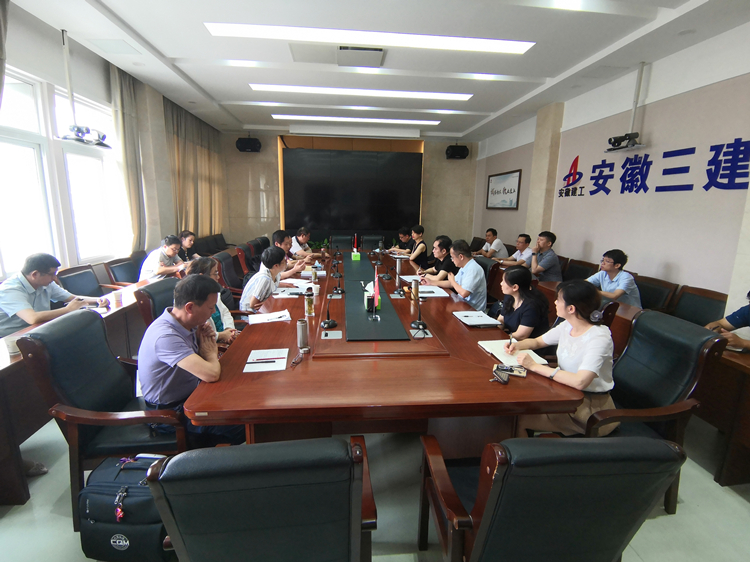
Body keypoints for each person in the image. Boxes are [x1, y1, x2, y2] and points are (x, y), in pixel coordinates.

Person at [138, 275, 244, 444]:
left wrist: (207, 346)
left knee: (243, 399)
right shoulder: (166, 336)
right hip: (170, 414)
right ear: (189, 307)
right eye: (211, 308)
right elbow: (211, 374)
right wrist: (210, 353)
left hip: (194, 395)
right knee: (244, 424)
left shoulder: (189, 323)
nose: (213, 312)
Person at [505, 279, 618, 437]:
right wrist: (517, 345)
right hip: (565, 394)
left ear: (571, 308)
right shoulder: (568, 325)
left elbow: (580, 381)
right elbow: (538, 341)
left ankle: (523, 452)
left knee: (518, 418)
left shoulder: (599, 338)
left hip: (590, 410)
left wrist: (535, 366)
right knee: (517, 407)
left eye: (558, 299)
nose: (555, 302)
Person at [0, 253, 107, 338]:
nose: (55, 279)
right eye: (52, 274)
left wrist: (99, 300)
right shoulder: (10, 289)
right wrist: (68, 310)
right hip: (12, 337)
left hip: (39, 329)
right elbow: (32, 318)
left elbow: (72, 298)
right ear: (35, 274)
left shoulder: (46, 283)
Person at [424, 239, 487, 312]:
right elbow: (452, 283)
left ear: (461, 257)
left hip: (473, 310)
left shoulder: (473, 269)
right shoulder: (464, 266)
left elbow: (464, 293)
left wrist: (452, 281)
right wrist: (431, 282)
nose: (452, 260)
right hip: (462, 304)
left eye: (453, 257)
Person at [186, 257, 238, 344]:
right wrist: (222, 335)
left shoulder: (213, 292)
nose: (218, 277)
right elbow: (200, 332)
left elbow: (225, 312)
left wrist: (229, 330)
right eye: (215, 273)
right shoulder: (192, 300)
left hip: (227, 338)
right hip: (212, 344)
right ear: (202, 277)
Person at [491, 266, 550, 340]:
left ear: (515, 287)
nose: (501, 283)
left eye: (504, 281)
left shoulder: (532, 306)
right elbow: (501, 320)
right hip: (510, 339)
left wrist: (499, 338)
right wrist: (495, 332)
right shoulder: (510, 296)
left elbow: (521, 336)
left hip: (527, 344)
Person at [239, 246, 287, 312]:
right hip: (250, 312)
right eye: (284, 261)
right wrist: (269, 302)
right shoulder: (265, 279)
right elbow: (252, 304)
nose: (286, 263)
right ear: (276, 265)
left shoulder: (275, 273)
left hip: (265, 307)